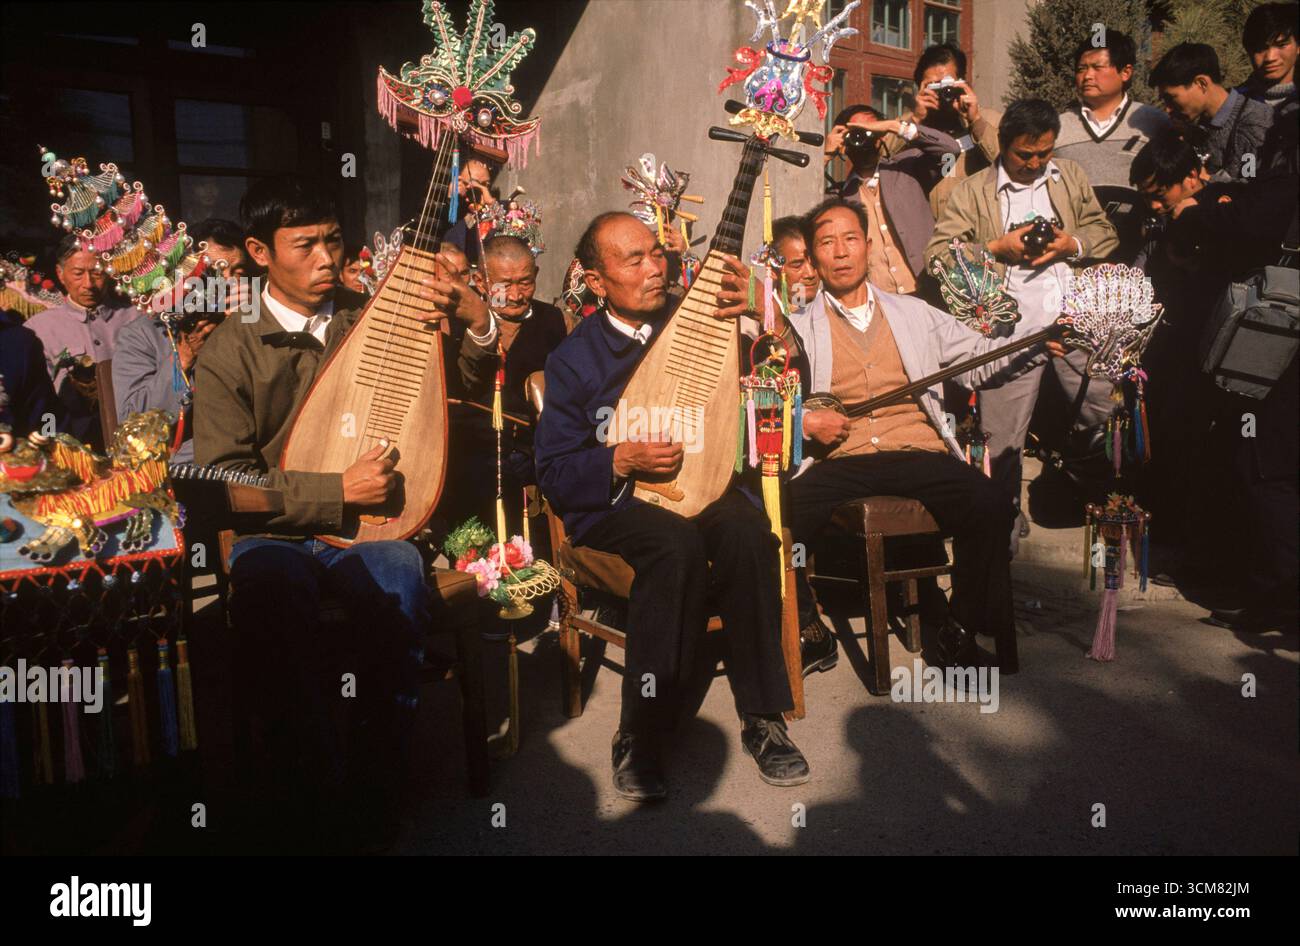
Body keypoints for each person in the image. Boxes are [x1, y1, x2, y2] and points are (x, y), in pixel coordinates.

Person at [193, 175, 494, 846]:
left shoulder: (375, 314)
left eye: (334, 240)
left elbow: (463, 393)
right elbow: (223, 485)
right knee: (273, 595)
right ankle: (311, 785)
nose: (328, 257)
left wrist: (476, 322)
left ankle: (374, 786)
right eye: (305, 245)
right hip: (275, 532)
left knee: (397, 585)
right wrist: (334, 493)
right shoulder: (229, 349)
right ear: (258, 252)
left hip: (374, 529)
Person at [534, 211, 809, 802]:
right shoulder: (574, 358)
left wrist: (768, 317)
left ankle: (765, 717)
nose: (655, 267)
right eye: (633, 260)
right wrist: (619, 460)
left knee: (746, 528)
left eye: (657, 253)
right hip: (617, 503)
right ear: (596, 280)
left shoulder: (703, 318)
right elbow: (553, 471)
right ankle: (640, 732)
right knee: (674, 544)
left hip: (703, 483)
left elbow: (786, 376)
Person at [719, 199, 1038, 672]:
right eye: (827, 243)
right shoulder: (796, 326)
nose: (841, 252)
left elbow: (983, 361)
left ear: (868, 246)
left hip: (917, 452)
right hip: (840, 460)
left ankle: (959, 628)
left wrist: (1039, 342)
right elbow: (764, 396)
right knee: (769, 511)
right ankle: (810, 628)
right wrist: (804, 418)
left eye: (850, 239)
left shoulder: (914, 313)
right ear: (813, 255)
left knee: (990, 504)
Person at [927, 99, 1120, 548]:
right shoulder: (973, 191)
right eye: (1024, 155)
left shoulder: (1068, 176)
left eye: (1043, 154)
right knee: (1002, 440)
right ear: (1004, 145)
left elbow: (1104, 233)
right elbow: (936, 257)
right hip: (1006, 333)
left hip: (1074, 322)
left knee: (1102, 415)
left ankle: (1107, 514)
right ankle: (1001, 533)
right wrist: (995, 248)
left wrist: (1070, 244)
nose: (1035, 164)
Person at [111, 219, 251, 460]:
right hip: (187, 464)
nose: (229, 282)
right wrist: (184, 357)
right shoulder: (144, 333)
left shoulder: (250, 324)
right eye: (215, 270)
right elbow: (133, 423)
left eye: (237, 273)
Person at [825, 104, 960, 294]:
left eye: (870, 130)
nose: (864, 137)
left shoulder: (908, 169)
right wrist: (825, 155)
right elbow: (801, 208)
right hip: (881, 303)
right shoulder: (839, 196)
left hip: (930, 291)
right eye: (856, 132)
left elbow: (950, 151)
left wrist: (895, 127)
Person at [25, 234, 143, 447]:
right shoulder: (38, 329)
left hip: (135, 439)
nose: (88, 284)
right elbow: (37, 401)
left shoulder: (137, 317)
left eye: (97, 273)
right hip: (72, 443)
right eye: (78, 274)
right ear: (60, 274)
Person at [881, 42, 1003, 221]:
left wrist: (975, 121)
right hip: (926, 230)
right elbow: (879, 160)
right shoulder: (907, 124)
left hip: (976, 228)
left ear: (962, 82)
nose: (943, 93)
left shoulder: (989, 120)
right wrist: (915, 120)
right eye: (934, 87)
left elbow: (1011, 164)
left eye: (947, 85)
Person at [1055, 31, 1173, 189]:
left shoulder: (1154, 122)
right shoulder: (1058, 127)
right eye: (1081, 69)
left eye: (1097, 67)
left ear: (1125, 72)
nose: (1088, 75)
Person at [1150, 42, 1274, 180]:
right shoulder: (1200, 124)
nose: (1168, 109)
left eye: (1171, 98)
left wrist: (1205, 180)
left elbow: (1251, 187)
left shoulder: (1252, 124)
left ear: (1201, 83)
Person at [1238, 2, 1299, 113]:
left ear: (1298, 47)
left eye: (1281, 45)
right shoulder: (1228, 103)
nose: (1270, 57)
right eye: (1261, 48)